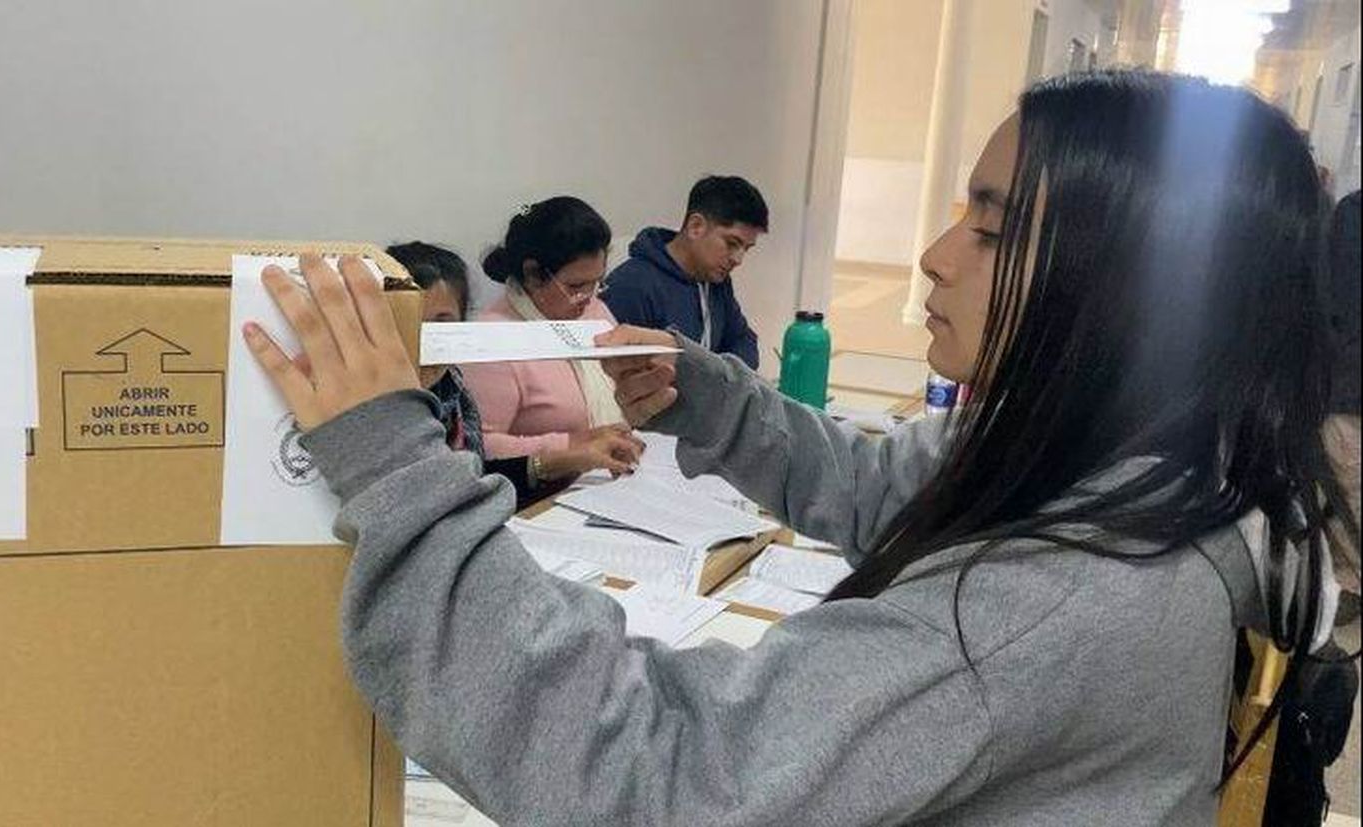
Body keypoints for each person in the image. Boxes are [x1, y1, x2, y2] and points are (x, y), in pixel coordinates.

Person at [243, 71, 1358, 824]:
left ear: (1131, 289)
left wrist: (395, 466)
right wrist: (713, 397)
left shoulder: (1052, 602)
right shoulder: (1146, 464)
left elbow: (661, 775)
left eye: (991, 224)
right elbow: (890, 484)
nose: (931, 254)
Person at [460, 196, 644, 477]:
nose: (588, 298)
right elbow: (476, 446)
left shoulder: (595, 312)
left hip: (612, 476)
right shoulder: (492, 339)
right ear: (533, 274)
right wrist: (572, 445)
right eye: (576, 286)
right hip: (543, 495)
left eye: (597, 283)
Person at [385, 241, 566, 509]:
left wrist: (569, 459)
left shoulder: (454, 391)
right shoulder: (370, 409)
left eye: (442, 324)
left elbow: (472, 480)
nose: (423, 342)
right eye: (410, 323)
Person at [602, 175, 766, 369]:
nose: (738, 260)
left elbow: (743, 340)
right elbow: (612, 376)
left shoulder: (716, 281)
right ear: (696, 227)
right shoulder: (632, 285)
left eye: (746, 248)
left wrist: (722, 379)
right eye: (731, 244)